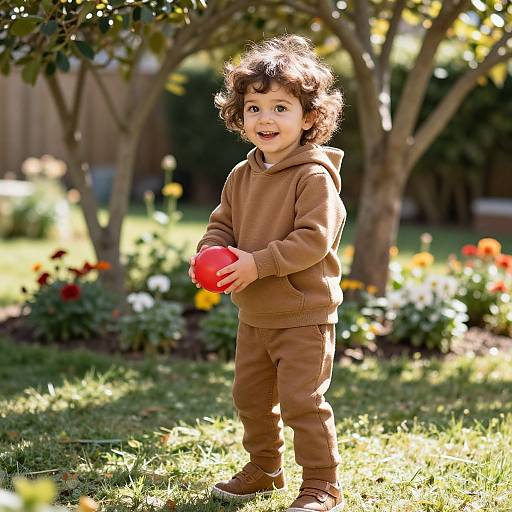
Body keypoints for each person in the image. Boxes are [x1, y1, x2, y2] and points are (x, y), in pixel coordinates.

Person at [189, 34, 347, 512]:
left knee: (303, 402)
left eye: (281, 107)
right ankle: (265, 468)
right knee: (251, 397)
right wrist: (209, 252)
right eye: (255, 108)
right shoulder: (242, 174)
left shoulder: (313, 176)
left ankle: (322, 484)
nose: (266, 119)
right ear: (240, 116)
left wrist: (257, 263)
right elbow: (222, 224)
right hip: (255, 314)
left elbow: (313, 240)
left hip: (303, 313)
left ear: (309, 118)